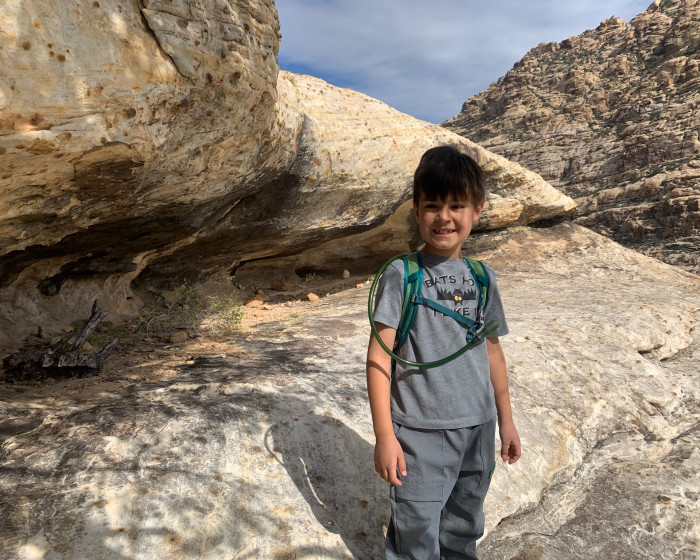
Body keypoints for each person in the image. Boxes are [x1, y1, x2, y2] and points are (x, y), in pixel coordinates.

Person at [366, 145, 521, 560]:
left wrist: (506, 421)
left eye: (457, 205)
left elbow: (492, 352)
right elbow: (379, 358)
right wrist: (385, 436)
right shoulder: (401, 274)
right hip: (420, 435)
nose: (444, 217)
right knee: (416, 534)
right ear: (416, 210)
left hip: (478, 430)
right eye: (433, 205)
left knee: (463, 528)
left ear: (477, 211)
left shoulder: (483, 278)